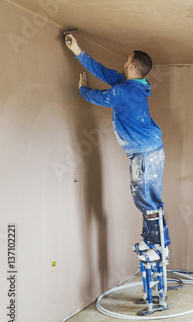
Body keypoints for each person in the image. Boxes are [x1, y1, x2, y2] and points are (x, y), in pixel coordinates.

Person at [65, 34, 170, 261]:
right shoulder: (134, 86)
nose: (123, 64)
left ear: (131, 65)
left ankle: (158, 247)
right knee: (150, 199)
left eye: (126, 61)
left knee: (144, 199)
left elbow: (101, 97)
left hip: (143, 152)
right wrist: (78, 52)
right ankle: (156, 242)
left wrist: (83, 90)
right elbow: (103, 72)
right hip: (150, 149)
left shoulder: (123, 91)